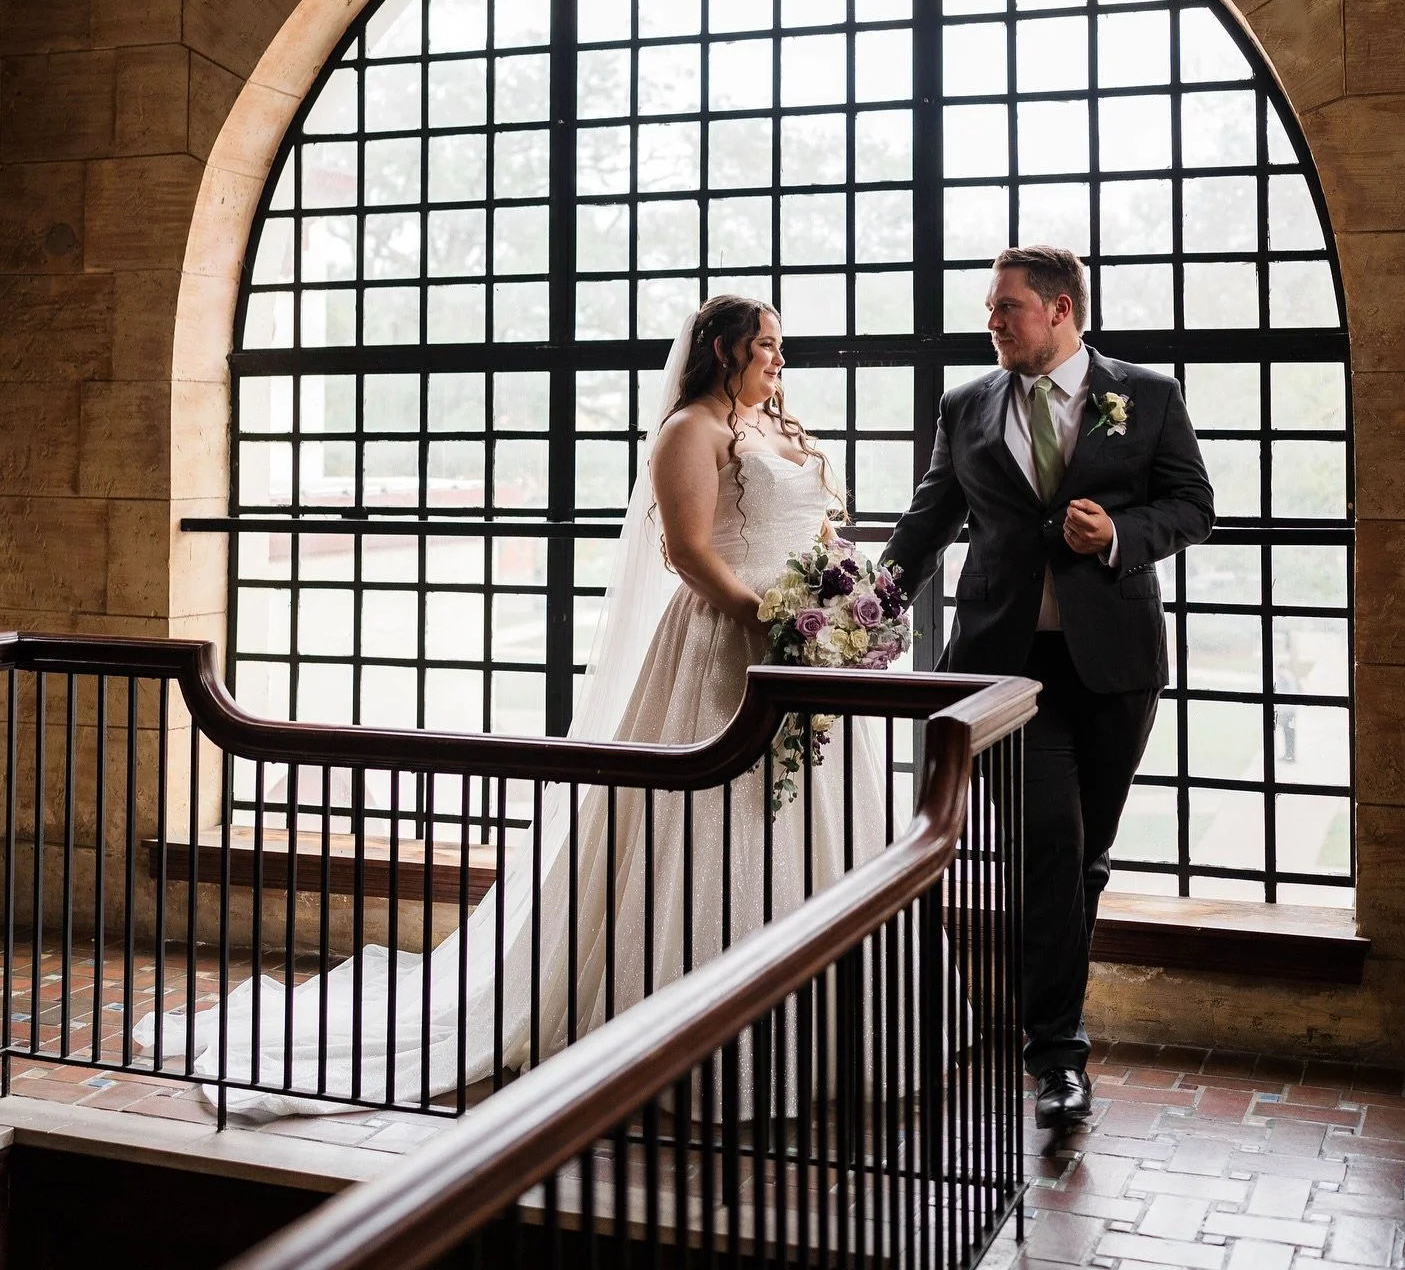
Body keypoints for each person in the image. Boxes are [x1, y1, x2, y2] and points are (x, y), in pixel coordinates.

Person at [145, 297, 889, 1118]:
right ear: (723, 350)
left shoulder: (780, 427)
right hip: (727, 646)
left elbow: (821, 534)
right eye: (766, 345)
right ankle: (695, 1036)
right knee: (717, 822)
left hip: (809, 654)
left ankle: (833, 1035)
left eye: (780, 345)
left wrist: (839, 606)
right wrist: (767, 620)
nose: (779, 359)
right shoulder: (690, 431)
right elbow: (687, 552)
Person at [881, 247, 1214, 1130]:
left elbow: (1194, 506)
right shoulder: (965, 405)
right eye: (992, 308)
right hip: (1005, 671)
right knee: (1048, 851)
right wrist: (864, 606)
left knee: (1085, 855)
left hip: (1114, 668)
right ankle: (1058, 1058)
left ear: (1060, 309)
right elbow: (928, 522)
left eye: (1007, 308)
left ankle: (1057, 1009)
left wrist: (1120, 533)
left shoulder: (1148, 396)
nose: (991, 322)